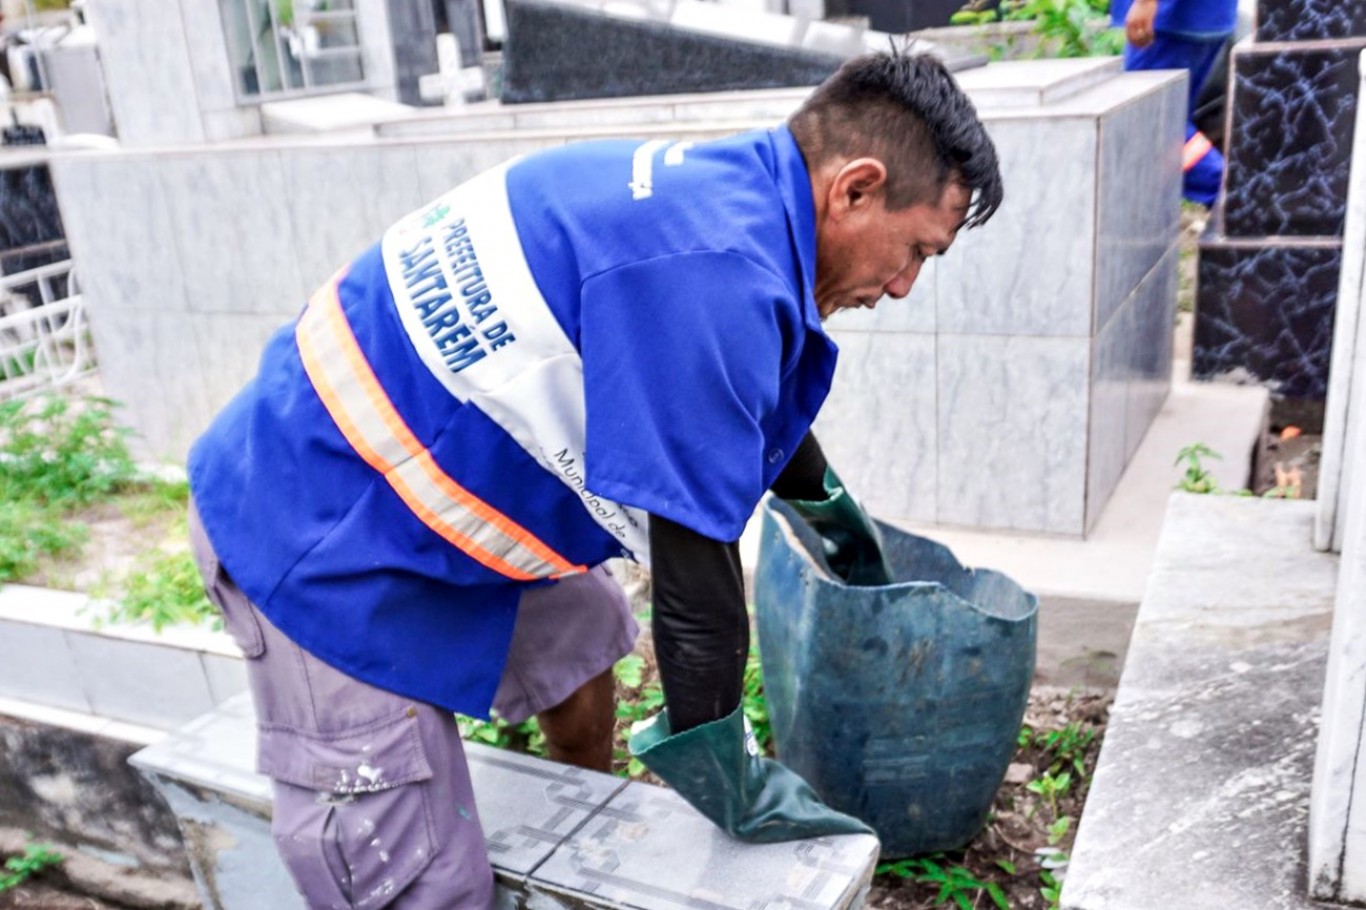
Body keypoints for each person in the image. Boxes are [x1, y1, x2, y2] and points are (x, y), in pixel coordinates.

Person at [187, 47, 1003, 908]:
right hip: (309, 530)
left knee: (587, 628)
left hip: (395, 475)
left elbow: (744, 402)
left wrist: (834, 513)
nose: (906, 285)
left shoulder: (731, 200)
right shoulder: (714, 274)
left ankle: (575, 846)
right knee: (419, 881)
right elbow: (696, 588)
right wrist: (728, 774)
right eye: (917, 249)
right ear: (856, 187)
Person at [1112, 0, 1238, 207]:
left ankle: (1236, 197)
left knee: (1149, 125)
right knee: (1170, 128)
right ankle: (1235, 196)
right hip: (1199, 17)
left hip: (1168, 20)